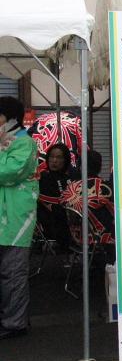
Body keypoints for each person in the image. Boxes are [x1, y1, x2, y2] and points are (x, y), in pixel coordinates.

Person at [0, 97, 38, 340]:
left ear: (11, 119)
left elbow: (9, 173)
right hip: (5, 218)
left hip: (16, 218)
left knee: (13, 272)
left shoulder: (25, 143)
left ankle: (15, 323)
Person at [61, 150, 115, 246]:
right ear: (100, 167)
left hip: (74, 236)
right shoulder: (106, 187)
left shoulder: (70, 188)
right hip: (100, 237)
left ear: (81, 166)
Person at [37, 143, 79, 249]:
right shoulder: (43, 178)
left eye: (59, 157)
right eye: (51, 156)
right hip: (52, 222)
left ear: (65, 160)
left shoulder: (72, 177)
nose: (54, 161)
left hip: (73, 220)